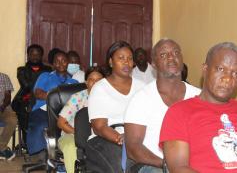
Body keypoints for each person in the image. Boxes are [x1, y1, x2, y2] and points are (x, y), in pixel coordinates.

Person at [159, 42, 237, 173]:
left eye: (236, 74)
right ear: (205, 70)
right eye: (221, 69)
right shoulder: (180, 112)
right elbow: (179, 168)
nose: (228, 79)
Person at [124, 38, 201, 172]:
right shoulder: (141, 99)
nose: (171, 57)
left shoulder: (199, 97)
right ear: (154, 64)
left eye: (176, 53)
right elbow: (133, 148)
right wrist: (167, 165)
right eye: (164, 54)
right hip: (155, 165)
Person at [85, 41, 145, 172]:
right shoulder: (100, 88)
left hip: (136, 137)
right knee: (122, 165)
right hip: (104, 139)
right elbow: (99, 127)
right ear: (111, 62)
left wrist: (133, 139)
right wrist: (121, 138)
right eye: (121, 58)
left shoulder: (142, 87)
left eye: (130, 58)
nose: (126, 62)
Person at [27, 50, 78, 156]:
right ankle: (43, 155)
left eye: (64, 61)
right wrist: (55, 97)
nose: (60, 64)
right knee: (43, 125)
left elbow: (78, 100)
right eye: (57, 61)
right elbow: (38, 93)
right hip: (43, 110)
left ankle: (66, 154)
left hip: (65, 113)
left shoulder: (74, 82)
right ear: (53, 64)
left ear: (68, 62)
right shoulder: (46, 76)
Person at [57, 66, 104, 173]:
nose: (95, 83)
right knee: (71, 147)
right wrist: (80, 135)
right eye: (92, 80)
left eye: (99, 80)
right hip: (72, 135)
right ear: (86, 82)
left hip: (99, 137)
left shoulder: (108, 99)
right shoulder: (78, 97)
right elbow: (61, 123)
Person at [12, 44, 51, 146]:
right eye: (32, 54)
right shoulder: (21, 70)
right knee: (25, 109)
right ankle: (27, 143)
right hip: (25, 98)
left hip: (42, 98)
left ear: (41, 56)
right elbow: (26, 86)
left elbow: (49, 85)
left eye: (37, 54)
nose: (35, 57)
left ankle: (45, 143)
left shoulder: (48, 70)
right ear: (28, 55)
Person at [0, 72, 17, 160]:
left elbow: (8, 96)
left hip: (4, 107)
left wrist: (2, 107)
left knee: (12, 120)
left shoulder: (4, 77)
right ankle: (2, 150)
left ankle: (1, 147)